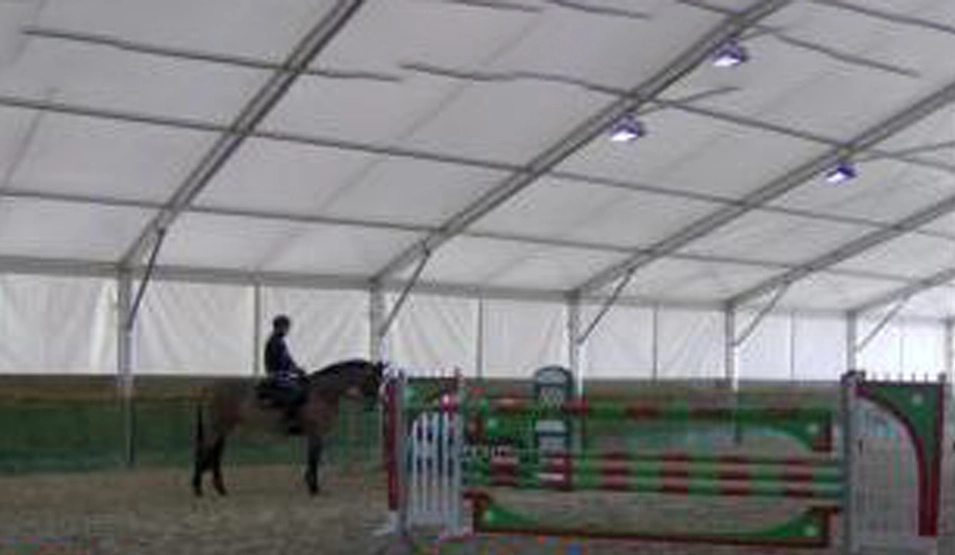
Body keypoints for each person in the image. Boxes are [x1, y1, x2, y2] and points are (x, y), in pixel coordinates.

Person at [264, 315, 307, 426]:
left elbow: (288, 360)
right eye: (286, 328)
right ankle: (289, 420)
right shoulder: (275, 342)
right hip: (276, 375)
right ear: (279, 327)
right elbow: (282, 362)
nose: (287, 330)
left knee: (304, 384)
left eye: (287, 328)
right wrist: (295, 370)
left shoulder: (279, 341)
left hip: (283, 373)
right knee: (296, 391)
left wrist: (298, 369)